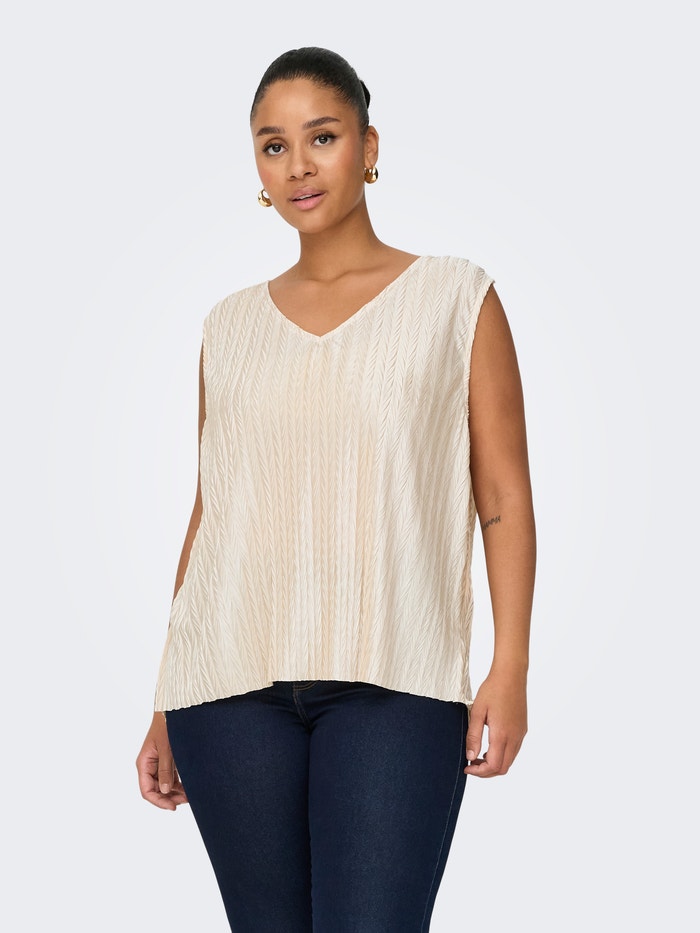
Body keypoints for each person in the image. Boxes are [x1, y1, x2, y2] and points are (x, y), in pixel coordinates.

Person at [136, 46, 536, 932]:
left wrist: (508, 666)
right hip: (226, 691)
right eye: (273, 146)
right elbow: (212, 513)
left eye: (322, 137)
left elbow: (502, 496)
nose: (298, 166)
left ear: (368, 146)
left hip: (395, 683)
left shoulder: (454, 298)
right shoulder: (229, 325)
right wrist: (166, 696)